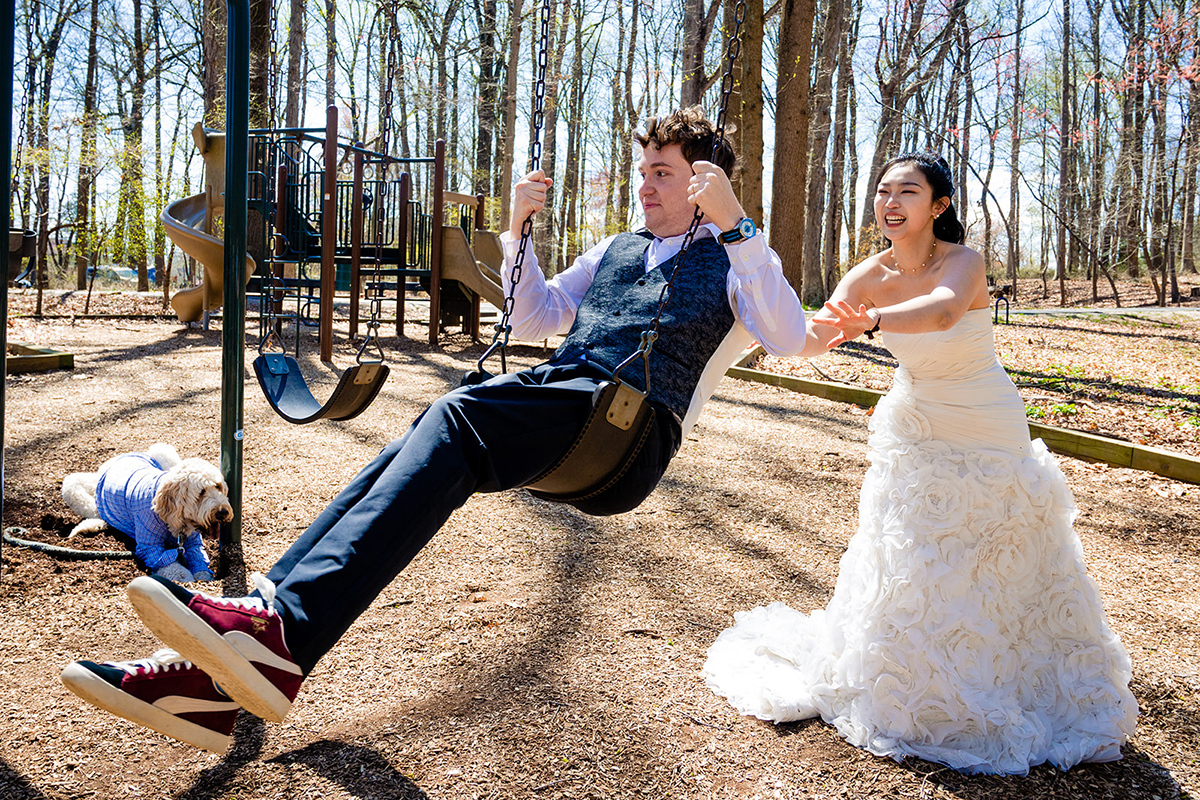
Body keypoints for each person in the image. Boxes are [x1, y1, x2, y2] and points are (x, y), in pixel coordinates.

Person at [59, 107, 808, 754]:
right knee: (421, 436)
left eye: (664, 173)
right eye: (642, 169)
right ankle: (226, 664)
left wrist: (740, 226)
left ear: (707, 181)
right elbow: (535, 315)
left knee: (454, 418)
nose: (645, 184)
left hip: (624, 431)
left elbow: (787, 334)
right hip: (566, 397)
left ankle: (279, 631)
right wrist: (518, 230)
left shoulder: (739, 257)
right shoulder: (615, 249)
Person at [702, 151, 1138, 776]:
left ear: (939, 206)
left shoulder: (963, 263)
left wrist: (874, 320)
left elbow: (940, 312)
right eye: (883, 191)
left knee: (998, 554)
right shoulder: (866, 276)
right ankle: (914, 689)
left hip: (986, 420)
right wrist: (761, 310)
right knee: (915, 558)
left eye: (908, 191)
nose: (891, 202)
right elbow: (807, 337)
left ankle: (1006, 678)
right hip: (916, 426)